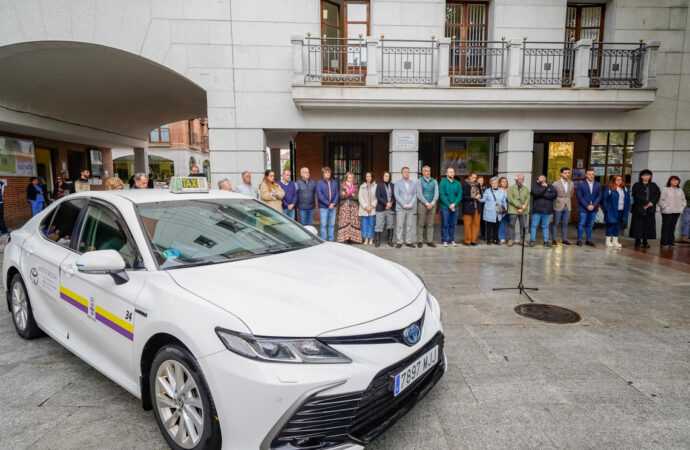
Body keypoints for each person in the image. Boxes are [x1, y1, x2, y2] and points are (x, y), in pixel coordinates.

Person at [630, 169, 661, 248]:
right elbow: (636, 195)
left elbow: (657, 194)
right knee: (638, 225)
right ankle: (637, 241)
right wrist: (645, 203)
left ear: (650, 176)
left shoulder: (653, 185)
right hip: (639, 208)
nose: (646, 177)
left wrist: (651, 203)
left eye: (648, 175)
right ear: (641, 176)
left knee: (648, 226)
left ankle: (645, 241)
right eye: (644, 175)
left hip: (650, 209)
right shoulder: (637, 185)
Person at [575, 168, 602, 247]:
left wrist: (593, 205)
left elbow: (599, 196)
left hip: (594, 208)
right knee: (581, 224)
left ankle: (588, 240)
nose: (591, 176)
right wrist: (587, 206)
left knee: (591, 225)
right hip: (583, 208)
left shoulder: (598, 184)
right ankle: (579, 240)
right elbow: (579, 196)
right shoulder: (581, 184)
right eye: (590, 174)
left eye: (593, 174)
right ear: (586, 175)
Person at [602, 174, 630, 248]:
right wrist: (607, 208)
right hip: (612, 210)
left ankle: (615, 241)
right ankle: (607, 241)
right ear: (614, 180)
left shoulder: (624, 189)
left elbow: (627, 200)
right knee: (611, 225)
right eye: (617, 179)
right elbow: (604, 199)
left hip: (621, 210)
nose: (619, 181)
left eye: (620, 180)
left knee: (617, 226)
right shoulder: (609, 189)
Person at [530, 175, 557, 247]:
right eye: (541, 177)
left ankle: (546, 241)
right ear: (537, 180)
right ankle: (532, 240)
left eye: (544, 177)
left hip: (547, 211)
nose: (543, 178)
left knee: (545, 226)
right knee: (534, 226)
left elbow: (554, 195)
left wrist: (544, 193)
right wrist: (545, 188)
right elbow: (537, 193)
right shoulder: (534, 187)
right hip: (537, 211)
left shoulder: (550, 186)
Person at [659, 175, 686, 248]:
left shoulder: (680, 190)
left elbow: (683, 200)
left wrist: (682, 207)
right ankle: (664, 243)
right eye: (673, 180)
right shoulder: (665, 189)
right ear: (670, 181)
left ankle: (671, 242)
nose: (675, 181)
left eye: (676, 180)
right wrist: (665, 207)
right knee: (666, 226)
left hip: (677, 211)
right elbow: (661, 200)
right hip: (667, 211)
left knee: (672, 227)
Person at [478, 176, 507, 245]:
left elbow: (504, 201)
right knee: (489, 226)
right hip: (489, 211)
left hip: (498, 212)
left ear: (498, 183)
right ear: (491, 184)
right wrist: (477, 198)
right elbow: (483, 200)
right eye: (493, 183)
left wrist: (504, 211)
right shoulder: (487, 191)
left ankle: (495, 239)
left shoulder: (501, 191)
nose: (495, 184)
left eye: (496, 183)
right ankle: (488, 240)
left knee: (496, 226)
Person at [439, 167, 462, 247]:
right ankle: (444, 240)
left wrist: (454, 204)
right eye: (450, 172)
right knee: (445, 224)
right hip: (445, 207)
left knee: (453, 224)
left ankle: (452, 240)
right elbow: (442, 195)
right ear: (446, 173)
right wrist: (449, 205)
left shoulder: (458, 183)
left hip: (455, 208)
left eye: (453, 172)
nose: (451, 173)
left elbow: (459, 195)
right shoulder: (442, 183)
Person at [416, 165, 439, 248]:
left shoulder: (434, 181)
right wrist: (426, 203)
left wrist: (432, 203)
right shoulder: (419, 181)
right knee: (421, 223)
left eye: (429, 171)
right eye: (426, 171)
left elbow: (436, 193)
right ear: (423, 172)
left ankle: (430, 241)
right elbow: (419, 194)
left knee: (430, 223)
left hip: (432, 204)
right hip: (422, 204)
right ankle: (420, 241)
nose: (428, 172)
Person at [394, 167, 417, 248]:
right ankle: (399, 242)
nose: (406, 173)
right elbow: (396, 195)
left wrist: (410, 204)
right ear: (402, 173)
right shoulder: (397, 183)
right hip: (400, 208)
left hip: (410, 208)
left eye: (407, 172)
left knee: (409, 226)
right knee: (400, 226)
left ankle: (408, 242)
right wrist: (404, 204)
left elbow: (415, 194)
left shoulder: (413, 183)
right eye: (404, 172)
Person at [551, 167, 574, 245]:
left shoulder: (571, 183)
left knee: (565, 223)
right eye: (565, 173)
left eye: (568, 173)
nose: (567, 174)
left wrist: (566, 200)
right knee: (555, 223)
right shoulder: (555, 184)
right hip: (558, 205)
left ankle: (564, 239)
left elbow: (571, 194)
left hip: (567, 205)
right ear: (561, 174)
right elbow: (553, 195)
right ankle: (554, 239)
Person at [506, 173, 530, 247]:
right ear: (516, 179)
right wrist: (520, 206)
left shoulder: (526, 188)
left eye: (522, 179)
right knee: (511, 225)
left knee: (523, 225)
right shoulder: (511, 188)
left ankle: (522, 240)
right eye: (520, 179)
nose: (521, 180)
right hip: (513, 210)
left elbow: (528, 198)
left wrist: (524, 206)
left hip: (524, 210)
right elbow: (510, 199)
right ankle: (510, 240)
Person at [337, 172, 362, 244]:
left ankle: (351, 239)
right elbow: (341, 196)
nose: (350, 179)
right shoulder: (342, 186)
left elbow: (357, 197)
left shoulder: (356, 186)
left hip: (354, 206)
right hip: (345, 206)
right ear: (346, 178)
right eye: (349, 177)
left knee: (353, 222)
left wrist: (347, 195)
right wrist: (351, 194)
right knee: (345, 221)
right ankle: (344, 238)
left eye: (351, 177)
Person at [316, 167, 339, 241]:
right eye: (326, 172)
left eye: (329, 172)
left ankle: (331, 240)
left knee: (332, 225)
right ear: (322, 174)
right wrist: (328, 204)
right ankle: (324, 240)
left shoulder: (334, 182)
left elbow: (337, 194)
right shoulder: (319, 183)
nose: (328, 174)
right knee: (323, 225)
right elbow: (320, 196)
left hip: (333, 207)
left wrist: (333, 203)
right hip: (323, 207)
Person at [374, 171, 395, 247]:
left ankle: (390, 241)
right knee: (379, 225)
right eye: (385, 176)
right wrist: (386, 203)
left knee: (390, 224)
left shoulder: (393, 186)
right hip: (381, 208)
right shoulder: (379, 186)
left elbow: (394, 197)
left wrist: (390, 203)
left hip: (390, 208)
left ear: (390, 177)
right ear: (383, 177)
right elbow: (378, 196)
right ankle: (377, 241)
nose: (387, 177)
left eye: (388, 176)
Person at [462, 172, 483, 246]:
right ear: (469, 177)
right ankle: (467, 241)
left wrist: (480, 195)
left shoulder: (478, 185)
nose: (474, 179)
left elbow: (481, 194)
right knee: (468, 224)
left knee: (476, 224)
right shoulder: (465, 185)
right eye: (473, 177)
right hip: (468, 207)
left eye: (475, 178)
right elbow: (464, 197)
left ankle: (474, 240)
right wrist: (474, 197)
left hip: (477, 206)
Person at [358, 172, 377, 245]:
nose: (368, 177)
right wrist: (365, 206)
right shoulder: (362, 186)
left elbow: (377, 197)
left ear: (372, 177)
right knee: (364, 224)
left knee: (371, 224)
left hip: (372, 208)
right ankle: (366, 239)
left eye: (370, 176)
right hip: (364, 209)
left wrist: (371, 206)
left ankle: (371, 239)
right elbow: (360, 197)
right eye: (367, 176)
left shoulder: (375, 186)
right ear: (365, 177)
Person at [497, 177, 510, 244]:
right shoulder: (498, 190)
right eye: (502, 181)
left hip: (510, 208)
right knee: (502, 223)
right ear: (500, 182)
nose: (504, 182)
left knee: (511, 223)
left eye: (505, 181)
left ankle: (511, 238)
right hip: (502, 209)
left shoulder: (509, 190)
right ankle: (501, 237)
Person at [477, 176, 488, 243]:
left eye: (482, 180)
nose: (480, 181)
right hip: (476, 206)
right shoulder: (475, 188)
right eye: (479, 180)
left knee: (482, 222)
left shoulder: (486, 188)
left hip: (484, 206)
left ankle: (483, 235)